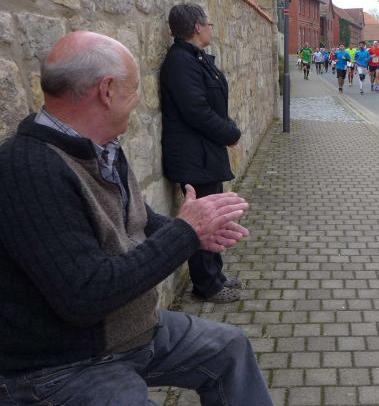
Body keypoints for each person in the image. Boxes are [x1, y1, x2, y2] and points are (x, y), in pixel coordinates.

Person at [0, 30, 273, 405]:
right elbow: (86, 296)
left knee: (231, 348)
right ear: (107, 91)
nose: (138, 100)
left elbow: (135, 220)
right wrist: (185, 232)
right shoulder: (28, 170)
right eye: (133, 88)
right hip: (64, 365)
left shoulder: (103, 146)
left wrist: (195, 234)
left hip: (134, 333)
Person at [160, 3, 243, 303]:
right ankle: (206, 285)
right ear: (197, 27)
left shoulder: (194, 58)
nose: (210, 29)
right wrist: (229, 133)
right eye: (208, 24)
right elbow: (196, 111)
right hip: (194, 158)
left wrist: (226, 126)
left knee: (214, 216)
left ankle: (215, 275)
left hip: (205, 153)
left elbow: (212, 103)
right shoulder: (181, 62)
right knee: (204, 219)